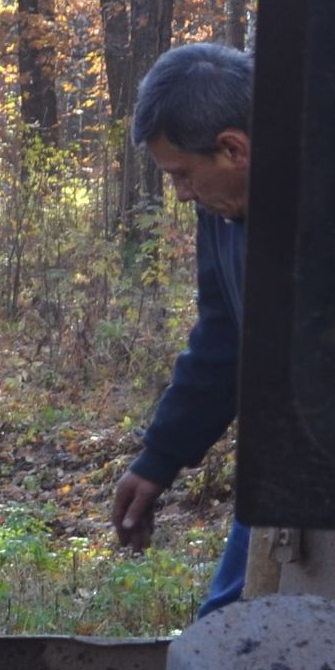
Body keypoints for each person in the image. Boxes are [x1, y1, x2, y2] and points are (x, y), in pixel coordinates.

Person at [109, 43, 253, 615]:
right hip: (290, 471)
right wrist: (159, 457)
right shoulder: (222, 209)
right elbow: (224, 338)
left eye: (184, 176)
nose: (184, 194)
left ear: (233, 148)